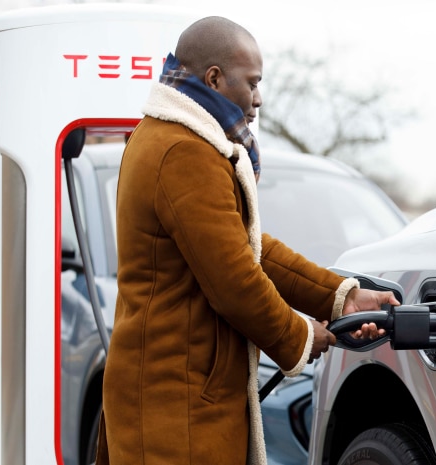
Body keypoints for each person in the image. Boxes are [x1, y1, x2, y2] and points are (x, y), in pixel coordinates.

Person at [98, 16, 399, 465]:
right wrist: (297, 336)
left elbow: (248, 249)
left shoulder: (178, 141)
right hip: (175, 406)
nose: (258, 98)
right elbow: (233, 278)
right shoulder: (185, 151)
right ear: (215, 79)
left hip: (183, 395)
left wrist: (341, 298)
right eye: (252, 82)